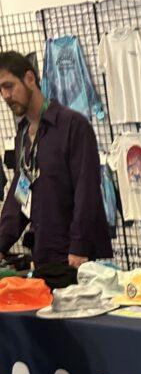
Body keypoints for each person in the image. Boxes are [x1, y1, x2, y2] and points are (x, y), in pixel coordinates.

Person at [0, 50, 112, 269]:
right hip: (43, 254)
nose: (5, 96)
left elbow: (87, 190)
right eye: (0, 90)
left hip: (75, 258)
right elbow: (21, 194)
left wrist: (79, 246)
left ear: (30, 78)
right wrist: (2, 243)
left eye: (9, 86)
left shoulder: (73, 125)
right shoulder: (23, 135)